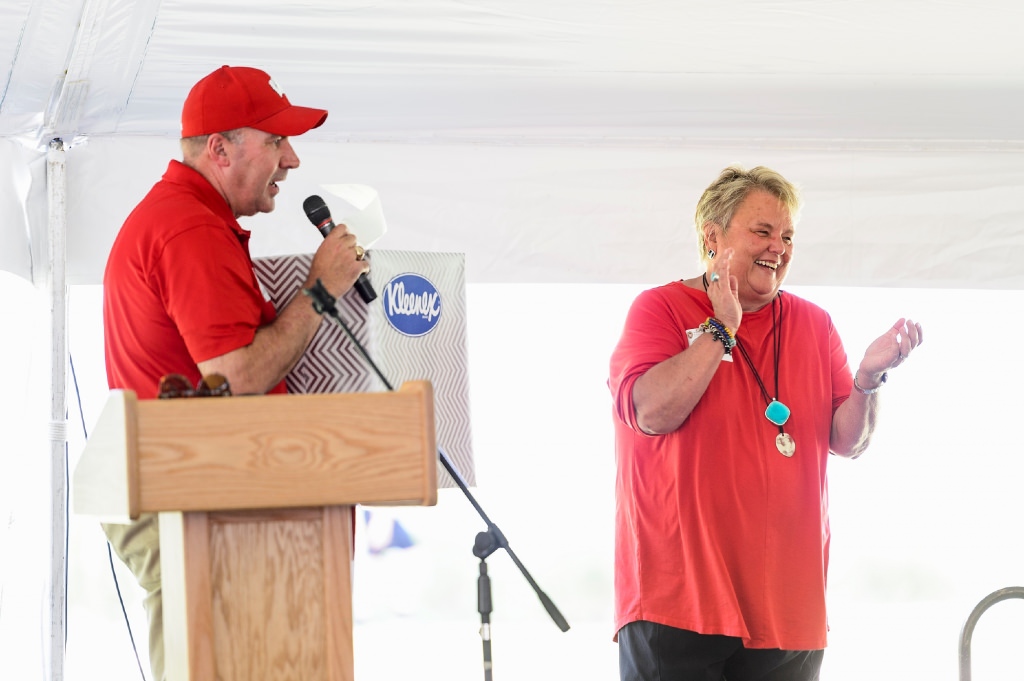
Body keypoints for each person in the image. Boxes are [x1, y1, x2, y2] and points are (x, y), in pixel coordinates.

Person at [101, 65, 368, 681]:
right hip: (189, 497)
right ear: (219, 150)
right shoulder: (189, 226)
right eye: (276, 142)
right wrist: (322, 291)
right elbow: (236, 378)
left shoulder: (189, 218)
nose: (293, 159)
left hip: (202, 493)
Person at [608, 165, 923, 681]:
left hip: (787, 611)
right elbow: (653, 412)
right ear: (713, 236)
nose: (779, 246)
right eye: (763, 231)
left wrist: (868, 378)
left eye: (788, 235)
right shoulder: (660, 308)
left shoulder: (814, 324)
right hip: (678, 601)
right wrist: (722, 327)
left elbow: (848, 442)